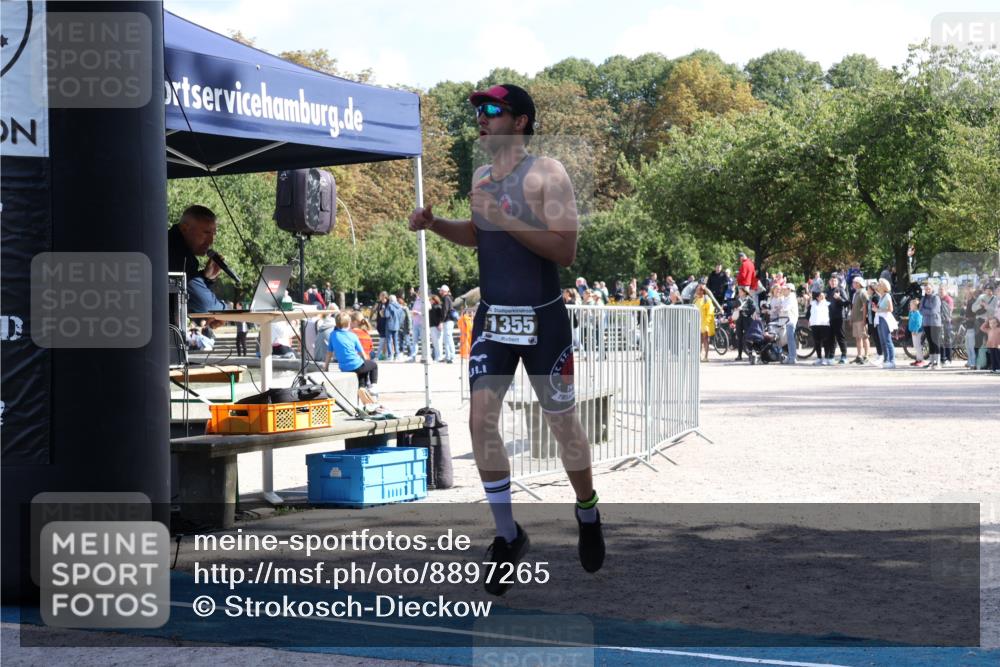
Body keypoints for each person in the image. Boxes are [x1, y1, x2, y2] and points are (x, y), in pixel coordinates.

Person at [408, 83, 604, 595]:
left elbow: (565, 251)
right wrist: (436, 225)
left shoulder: (548, 172)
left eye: (492, 110)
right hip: (495, 318)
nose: (481, 117)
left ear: (519, 121)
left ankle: (587, 510)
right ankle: (508, 534)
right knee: (479, 420)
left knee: (563, 426)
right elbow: (479, 234)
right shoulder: (479, 176)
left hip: (543, 320)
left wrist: (506, 217)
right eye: (478, 110)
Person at [167, 205, 229, 314]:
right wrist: (226, 310)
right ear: (184, 228)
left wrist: (206, 277)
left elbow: (187, 295)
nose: (211, 241)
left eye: (213, 234)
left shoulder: (173, 243)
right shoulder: (177, 252)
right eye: (206, 233)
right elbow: (206, 304)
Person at [326, 312, 379, 393]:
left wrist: (326, 367)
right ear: (349, 324)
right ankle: (373, 387)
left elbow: (329, 353)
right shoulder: (352, 335)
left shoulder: (333, 335)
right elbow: (363, 354)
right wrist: (366, 362)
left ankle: (362, 389)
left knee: (362, 373)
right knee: (373, 365)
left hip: (344, 367)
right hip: (356, 365)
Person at [825, 276, 850, 364]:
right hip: (830, 317)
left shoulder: (840, 290)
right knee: (831, 338)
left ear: (837, 282)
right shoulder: (827, 291)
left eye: (835, 281)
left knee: (840, 337)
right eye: (832, 281)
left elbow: (847, 302)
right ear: (829, 282)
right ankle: (831, 356)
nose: (833, 282)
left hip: (839, 317)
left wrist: (839, 298)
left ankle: (844, 355)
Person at [919, 282, 943, 369]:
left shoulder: (936, 298)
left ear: (932, 288)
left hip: (935, 323)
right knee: (930, 342)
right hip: (926, 323)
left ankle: (938, 362)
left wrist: (926, 310)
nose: (927, 290)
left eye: (929, 289)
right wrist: (927, 310)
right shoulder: (923, 298)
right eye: (926, 289)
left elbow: (934, 310)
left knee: (935, 342)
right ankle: (932, 361)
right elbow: (920, 310)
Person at [875, 278, 897, 368]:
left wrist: (878, 309)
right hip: (880, 318)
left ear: (883, 286)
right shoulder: (881, 296)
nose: (878, 286)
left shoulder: (887, 296)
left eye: (880, 284)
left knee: (887, 340)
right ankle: (886, 360)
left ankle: (892, 361)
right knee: (882, 341)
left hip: (885, 319)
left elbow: (890, 309)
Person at [849, 276, 869, 364]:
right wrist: (851, 318)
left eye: (854, 282)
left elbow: (865, 307)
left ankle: (866, 356)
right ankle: (859, 356)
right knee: (857, 338)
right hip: (855, 319)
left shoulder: (863, 293)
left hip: (861, 319)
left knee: (864, 337)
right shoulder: (855, 293)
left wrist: (864, 319)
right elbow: (853, 307)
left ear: (858, 283)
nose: (853, 284)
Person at [732, 286, 756, 362]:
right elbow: (734, 307)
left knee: (748, 337)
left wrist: (744, 310)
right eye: (739, 291)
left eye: (740, 291)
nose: (739, 292)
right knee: (739, 337)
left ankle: (750, 354)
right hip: (739, 320)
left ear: (744, 292)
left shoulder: (749, 300)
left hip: (747, 320)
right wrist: (736, 309)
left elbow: (753, 309)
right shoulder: (737, 299)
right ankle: (739, 355)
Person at [809, 291, 833, 365]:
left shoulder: (828, 304)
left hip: (824, 325)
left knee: (826, 342)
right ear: (817, 297)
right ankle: (819, 358)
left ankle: (826, 358)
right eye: (821, 296)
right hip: (814, 325)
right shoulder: (812, 304)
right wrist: (810, 321)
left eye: (823, 295)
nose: (822, 297)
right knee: (817, 342)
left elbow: (831, 314)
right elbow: (809, 313)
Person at [694, 284, 715, 361]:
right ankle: (699, 356)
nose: (696, 291)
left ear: (702, 291)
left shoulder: (707, 299)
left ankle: (706, 356)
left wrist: (707, 322)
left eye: (698, 290)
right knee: (699, 340)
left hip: (705, 322)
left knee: (705, 339)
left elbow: (710, 311)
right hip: (697, 322)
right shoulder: (695, 300)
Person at [780, 283, 798, 364]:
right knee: (788, 339)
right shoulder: (786, 297)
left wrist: (781, 309)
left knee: (791, 340)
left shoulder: (791, 298)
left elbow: (785, 308)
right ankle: (791, 356)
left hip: (791, 321)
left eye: (785, 289)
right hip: (786, 321)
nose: (783, 290)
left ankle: (793, 357)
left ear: (789, 290)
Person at [439, 285, 457, 363]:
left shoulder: (446, 298)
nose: (440, 292)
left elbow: (445, 310)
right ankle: (448, 356)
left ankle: (451, 356)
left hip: (448, 321)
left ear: (444, 291)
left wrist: (441, 321)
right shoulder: (448, 298)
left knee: (448, 338)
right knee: (447, 339)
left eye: (441, 290)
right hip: (448, 321)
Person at [384, 294, 405, 361]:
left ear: (390, 300)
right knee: (396, 341)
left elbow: (387, 315)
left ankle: (390, 356)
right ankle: (397, 355)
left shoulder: (389, 306)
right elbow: (403, 316)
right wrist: (399, 323)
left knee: (389, 341)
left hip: (389, 325)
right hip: (397, 325)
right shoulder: (399, 307)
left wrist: (384, 311)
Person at [907, 299, 925, 367]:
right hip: (913, 331)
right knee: (916, 346)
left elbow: (918, 323)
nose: (910, 306)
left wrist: (916, 330)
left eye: (911, 305)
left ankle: (921, 360)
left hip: (917, 331)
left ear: (915, 306)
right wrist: (910, 312)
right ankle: (918, 359)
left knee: (918, 346)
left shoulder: (918, 313)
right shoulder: (912, 312)